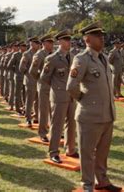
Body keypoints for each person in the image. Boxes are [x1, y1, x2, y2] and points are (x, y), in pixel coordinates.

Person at [67, 22, 120, 192]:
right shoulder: (81, 59)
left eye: (103, 36)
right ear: (87, 39)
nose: (102, 38)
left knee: (103, 153)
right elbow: (71, 86)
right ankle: (87, 184)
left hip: (107, 114)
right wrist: (84, 99)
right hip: (89, 115)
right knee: (88, 153)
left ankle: (102, 180)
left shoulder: (103, 58)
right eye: (98, 36)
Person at [40, 30, 78, 163]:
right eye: (66, 40)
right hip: (58, 96)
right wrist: (57, 88)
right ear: (60, 42)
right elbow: (44, 78)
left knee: (72, 123)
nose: (69, 43)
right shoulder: (52, 58)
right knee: (57, 125)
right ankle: (54, 152)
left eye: (69, 40)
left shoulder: (73, 56)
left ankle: (70, 149)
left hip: (71, 96)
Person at [29, 34, 54, 142]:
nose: (52, 45)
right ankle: (43, 133)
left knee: (53, 110)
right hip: (44, 85)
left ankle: (54, 131)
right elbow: (32, 71)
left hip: (54, 86)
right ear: (44, 43)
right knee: (43, 110)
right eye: (50, 42)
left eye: (52, 42)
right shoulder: (39, 55)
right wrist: (41, 78)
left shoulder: (53, 54)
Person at [20, 37, 41, 126]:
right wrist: (29, 75)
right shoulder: (26, 54)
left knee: (37, 100)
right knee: (30, 100)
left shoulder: (40, 53)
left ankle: (36, 117)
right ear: (32, 44)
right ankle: (28, 118)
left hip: (39, 80)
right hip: (30, 81)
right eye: (36, 43)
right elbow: (22, 67)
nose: (38, 45)